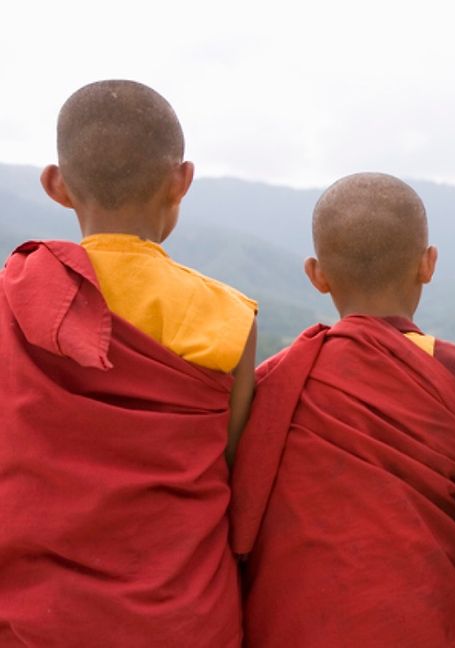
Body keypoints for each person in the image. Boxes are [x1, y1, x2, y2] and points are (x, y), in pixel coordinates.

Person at [0, 80, 256, 646]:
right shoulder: (229, 317)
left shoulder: (11, 301)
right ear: (182, 181)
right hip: (182, 620)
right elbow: (235, 469)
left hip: (35, 621)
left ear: (55, 186)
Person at [230, 172, 455, 647]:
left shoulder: (278, 381)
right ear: (428, 263)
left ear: (316, 275)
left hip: (300, 627)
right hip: (427, 623)